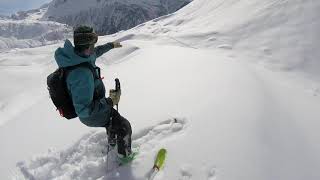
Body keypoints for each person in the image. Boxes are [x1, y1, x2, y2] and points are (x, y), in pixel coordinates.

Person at [54, 25, 133, 162]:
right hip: (91, 114)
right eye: (92, 44)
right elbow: (84, 110)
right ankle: (124, 159)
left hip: (96, 104)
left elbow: (97, 51)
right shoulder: (81, 75)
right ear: (86, 45)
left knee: (112, 122)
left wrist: (111, 45)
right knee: (123, 126)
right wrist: (110, 101)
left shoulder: (80, 55)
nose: (94, 48)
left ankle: (113, 144)